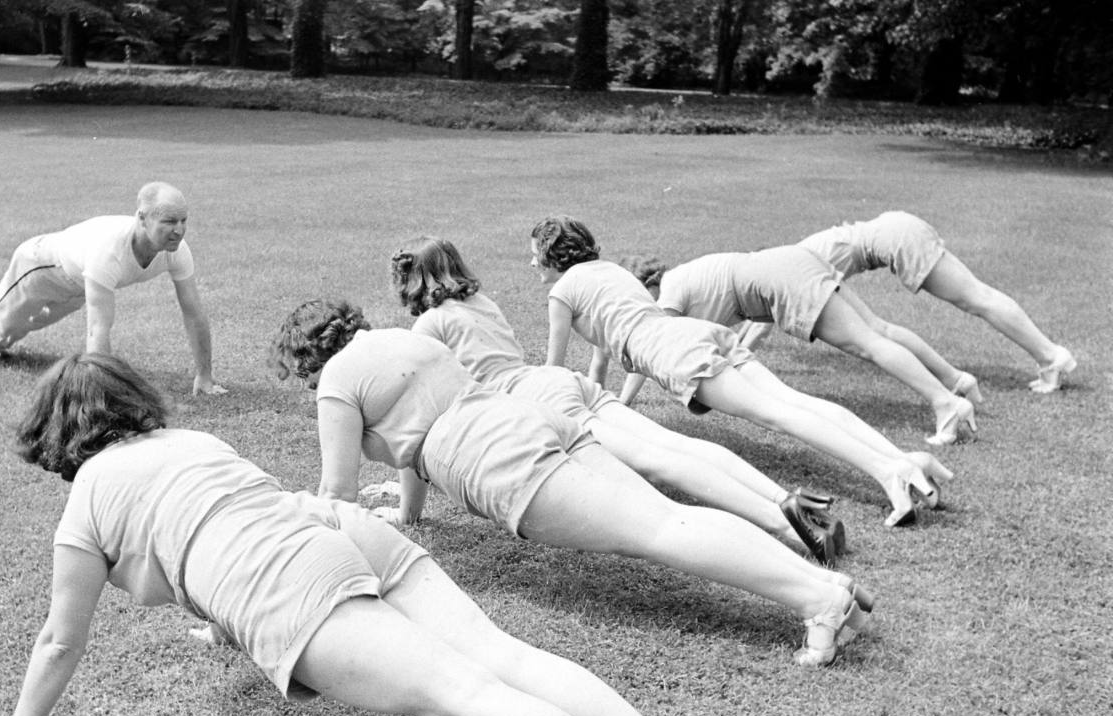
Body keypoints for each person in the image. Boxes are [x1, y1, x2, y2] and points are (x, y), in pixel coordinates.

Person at [0, 352, 764, 716]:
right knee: (507, 659)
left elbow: (58, 639)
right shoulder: (192, 441)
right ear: (128, 402)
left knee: (472, 699)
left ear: (59, 438)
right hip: (328, 528)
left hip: (288, 576)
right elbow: (208, 535)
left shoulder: (88, 500)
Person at [271, 300, 872, 666]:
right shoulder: (405, 340)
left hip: (492, 456)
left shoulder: (336, 383)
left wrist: (287, 586)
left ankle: (818, 599)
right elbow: (416, 436)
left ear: (304, 359)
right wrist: (408, 512)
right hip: (528, 416)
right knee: (664, 515)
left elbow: (335, 499)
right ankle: (823, 586)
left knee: (662, 529)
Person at [393, 235, 847, 564]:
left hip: (531, 397)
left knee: (655, 460)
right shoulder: (482, 303)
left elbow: (424, 417)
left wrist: (405, 508)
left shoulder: (429, 326)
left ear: (411, 281)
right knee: (674, 446)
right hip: (557, 380)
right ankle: (787, 501)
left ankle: (784, 525)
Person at [530, 215, 953, 528]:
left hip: (671, 350)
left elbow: (554, 369)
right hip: (696, 332)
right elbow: (603, 355)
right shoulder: (614, 272)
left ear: (551, 255)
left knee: (777, 414)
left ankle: (888, 471)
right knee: (792, 402)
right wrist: (608, 404)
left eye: (535, 255)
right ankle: (901, 459)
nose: (533, 264)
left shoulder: (562, 291)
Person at [620, 247, 976, 446]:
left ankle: (945, 402)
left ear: (644, 286)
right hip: (793, 261)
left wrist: (623, 404)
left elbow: (655, 347)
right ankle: (954, 386)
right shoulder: (688, 274)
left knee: (867, 344)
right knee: (875, 332)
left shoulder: (669, 292)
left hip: (782, 279)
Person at [0, 182, 226, 395]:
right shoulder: (108, 250)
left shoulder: (176, 251)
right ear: (142, 218)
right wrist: (101, 394)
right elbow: (98, 329)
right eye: (169, 221)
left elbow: (194, 313)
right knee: (4, 316)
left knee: (29, 323)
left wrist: (204, 376)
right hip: (41, 266)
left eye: (183, 220)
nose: (179, 230)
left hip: (79, 283)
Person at [794, 210, 1076, 394]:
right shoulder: (796, 252)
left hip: (896, 240)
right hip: (897, 228)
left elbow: (765, 314)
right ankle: (1049, 357)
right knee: (979, 297)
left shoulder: (792, 263)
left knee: (977, 299)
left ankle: (1051, 357)